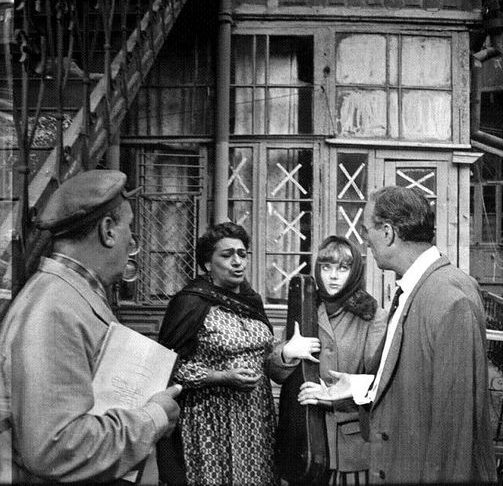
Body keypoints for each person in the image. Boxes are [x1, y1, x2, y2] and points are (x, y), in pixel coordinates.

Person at [299, 186, 497, 484]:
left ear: (388, 233)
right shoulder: (421, 287)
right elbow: (418, 383)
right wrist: (361, 385)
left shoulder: (448, 296)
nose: (365, 241)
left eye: (367, 231)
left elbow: (456, 428)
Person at [0, 169, 181, 483]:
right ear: (108, 230)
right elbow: (55, 449)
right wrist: (153, 418)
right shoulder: (54, 308)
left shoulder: (70, 295)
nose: (132, 242)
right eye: (129, 229)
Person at [157, 222, 319, 486]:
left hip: (255, 417)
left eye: (242, 254)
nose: (237, 262)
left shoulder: (251, 302)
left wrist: (286, 353)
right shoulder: (190, 302)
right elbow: (168, 366)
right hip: (209, 419)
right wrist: (220, 376)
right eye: (227, 255)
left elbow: (266, 358)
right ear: (207, 263)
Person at [270, 235, 387, 485]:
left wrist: (335, 395)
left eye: (343, 268)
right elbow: (273, 370)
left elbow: (380, 382)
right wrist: (287, 353)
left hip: (350, 446)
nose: (333, 276)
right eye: (326, 267)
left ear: (355, 272)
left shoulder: (372, 316)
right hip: (305, 440)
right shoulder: (306, 308)